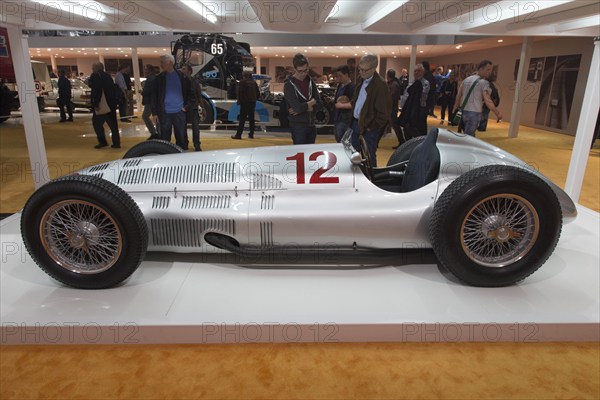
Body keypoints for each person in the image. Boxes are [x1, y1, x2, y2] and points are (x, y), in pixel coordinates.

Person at [346, 54, 390, 167]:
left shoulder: (380, 85)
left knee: (369, 156)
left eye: (364, 70)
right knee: (352, 154)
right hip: (356, 123)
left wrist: (371, 127)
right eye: (360, 69)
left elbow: (383, 114)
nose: (361, 72)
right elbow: (358, 100)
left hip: (369, 127)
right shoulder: (361, 79)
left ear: (374, 68)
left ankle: (371, 181)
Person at [152, 54, 195, 149]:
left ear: (170, 63)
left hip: (179, 112)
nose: (161, 64)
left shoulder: (183, 77)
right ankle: (165, 158)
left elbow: (191, 94)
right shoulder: (159, 78)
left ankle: (181, 158)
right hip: (164, 113)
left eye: (162, 62)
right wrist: (154, 113)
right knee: (164, 139)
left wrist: (186, 107)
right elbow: (154, 96)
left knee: (181, 138)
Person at [453, 60, 503, 137]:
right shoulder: (484, 83)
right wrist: (497, 113)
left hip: (464, 112)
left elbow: (458, 96)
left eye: (490, 70)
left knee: (464, 134)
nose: (489, 72)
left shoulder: (466, 80)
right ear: (481, 69)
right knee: (469, 137)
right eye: (488, 69)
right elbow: (488, 100)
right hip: (474, 113)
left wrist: (455, 108)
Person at [283, 53, 323, 145]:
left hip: (311, 124)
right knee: (300, 155)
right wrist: (311, 103)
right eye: (300, 71)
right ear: (295, 69)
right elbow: (297, 108)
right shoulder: (289, 84)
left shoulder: (310, 81)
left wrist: (308, 107)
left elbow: (320, 103)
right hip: (298, 126)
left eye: (306, 70)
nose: (304, 73)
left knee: (311, 156)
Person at [88, 62, 120, 149]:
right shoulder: (108, 76)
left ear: (96, 68)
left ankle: (102, 141)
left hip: (102, 104)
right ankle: (116, 143)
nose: (92, 69)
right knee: (113, 125)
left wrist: (95, 103)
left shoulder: (95, 76)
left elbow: (96, 90)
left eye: (93, 67)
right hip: (111, 104)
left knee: (96, 123)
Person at [397, 64, 430, 143]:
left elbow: (422, 98)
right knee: (406, 128)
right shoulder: (412, 83)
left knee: (417, 131)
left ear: (422, 72)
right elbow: (406, 96)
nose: (416, 73)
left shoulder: (425, 83)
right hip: (409, 110)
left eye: (418, 71)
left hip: (419, 111)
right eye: (415, 71)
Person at [231, 70, 260, 140]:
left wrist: (239, 101)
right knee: (251, 119)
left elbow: (240, 92)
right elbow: (258, 93)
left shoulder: (242, 82)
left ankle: (238, 135)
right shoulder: (254, 82)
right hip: (252, 102)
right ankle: (251, 134)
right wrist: (254, 99)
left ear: (243, 75)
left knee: (242, 119)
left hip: (244, 103)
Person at [181, 64, 203, 150]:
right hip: (183, 108)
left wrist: (202, 107)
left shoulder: (195, 82)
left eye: (184, 69)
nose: (182, 70)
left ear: (189, 71)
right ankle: (185, 144)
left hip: (193, 108)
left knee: (196, 128)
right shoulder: (181, 81)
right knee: (183, 128)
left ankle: (197, 145)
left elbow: (198, 95)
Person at [332, 64, 355, 142]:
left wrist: (341, 105)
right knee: (339, 142)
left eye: (340, 75)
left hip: (346, 120)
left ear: (346, 74)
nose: (338, 77)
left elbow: (354, 104)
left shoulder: (352, 87)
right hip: (338, 118)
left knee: (346, 143)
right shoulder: (340, 86)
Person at [141, 64, 160, 140]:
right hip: (152, 100)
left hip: (150, 101)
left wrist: (142, 92)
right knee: (155, 116)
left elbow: (148, 90)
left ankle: (155, 133)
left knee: (147, 116)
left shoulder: (150, 79)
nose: (144, 71)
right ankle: (157, 133)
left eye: (146, 70)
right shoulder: (152, 78)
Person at [386, 69, 402, 146]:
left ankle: (402, 141)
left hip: (391, 108)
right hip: (390, 108)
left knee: (395, 125)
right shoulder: (393, 84)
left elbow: (391, 97)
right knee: (385, 124)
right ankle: (401, 140)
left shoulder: (393, 85)